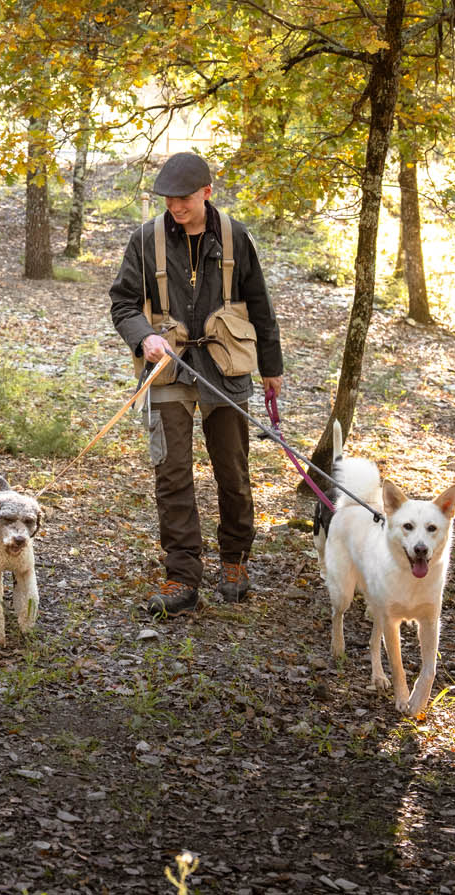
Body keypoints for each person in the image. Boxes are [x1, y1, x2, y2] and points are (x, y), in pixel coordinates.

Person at [110, 152, 283, 615]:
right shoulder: (144, 240)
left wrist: (272, 369)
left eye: (184, 198)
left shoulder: (236, 236)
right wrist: (143, 336)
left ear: (207, 192)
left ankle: (234, 561)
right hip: (167, 367)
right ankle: (182, 576)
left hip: (226, 368)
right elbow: (123, 303)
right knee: (171, 474)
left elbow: (260, 306)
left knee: (233, 469)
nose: (176, 206)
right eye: (168, 198)